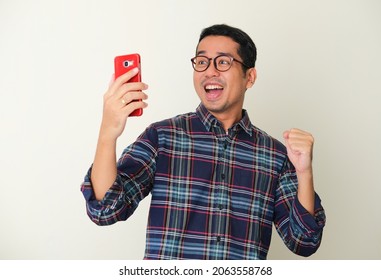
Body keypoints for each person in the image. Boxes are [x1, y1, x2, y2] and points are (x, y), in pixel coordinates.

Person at [81, 24, 326, 260]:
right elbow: (106, 209)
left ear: (249, 77)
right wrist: (107, 133)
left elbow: (303, 242)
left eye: (223, 62)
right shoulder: (162, 136)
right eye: (201, 62)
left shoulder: (275, 155)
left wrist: (304, 172)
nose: (210, 71)